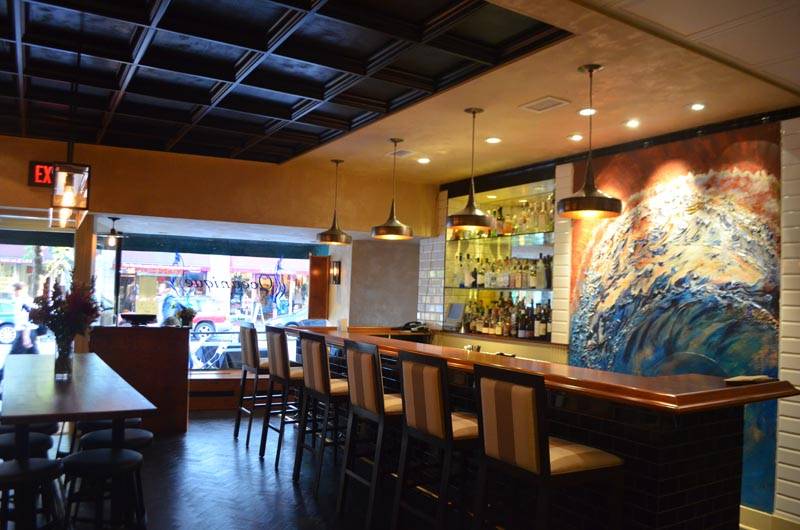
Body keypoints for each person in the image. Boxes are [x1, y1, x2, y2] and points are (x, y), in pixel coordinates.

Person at [10, 282, 38, 355]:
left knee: (14, 356)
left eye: (14, 290)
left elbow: (27, 318)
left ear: (21, 290)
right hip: (27, 332)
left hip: (24, 332)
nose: (13, 293)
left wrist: (26, 335)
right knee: (32, 355)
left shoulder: (24, 301)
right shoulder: (26, 300)